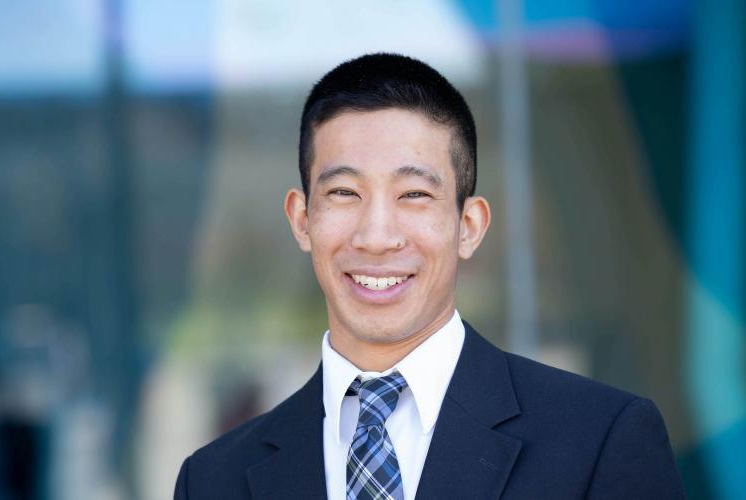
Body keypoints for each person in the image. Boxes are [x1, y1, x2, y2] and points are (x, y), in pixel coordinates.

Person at [174, 53, 685, 499]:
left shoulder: (599, 442)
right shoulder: (214, 480)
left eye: (414, 195)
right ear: (302, 219)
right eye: (344, 193)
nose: (377, 236)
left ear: (469, 226)